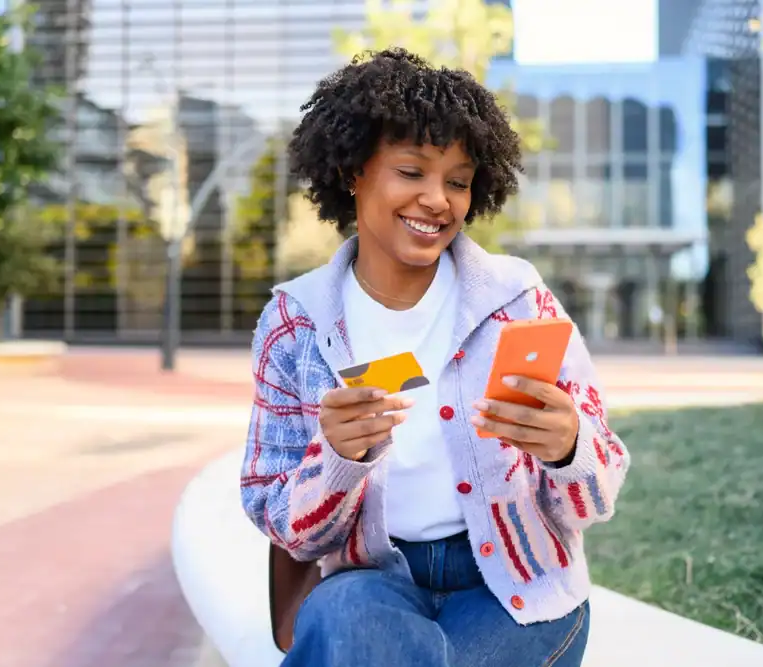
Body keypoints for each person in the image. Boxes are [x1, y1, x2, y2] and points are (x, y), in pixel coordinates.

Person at [241, 48, 631, 667]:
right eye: (411, 171)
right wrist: (337, 460)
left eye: (457, 181)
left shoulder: (521, 301)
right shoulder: (295, 323)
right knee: (350, 627)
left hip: (514, 583)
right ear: (352, 172)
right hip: (370, 578)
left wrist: (568, 447)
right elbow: (285, 526)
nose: (437, 200)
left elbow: (596, 497)